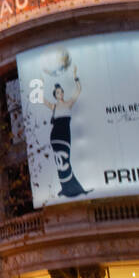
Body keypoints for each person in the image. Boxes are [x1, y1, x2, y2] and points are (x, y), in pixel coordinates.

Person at [44, 67, 89, 198]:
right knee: (60, 161)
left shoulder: (68, 103)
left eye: (61, 92)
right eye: (58, 93)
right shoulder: (54, 107)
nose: (60, 94)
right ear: (55, 95)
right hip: (56, 135)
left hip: (65, 133)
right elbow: (41, 99)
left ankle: (71, 187)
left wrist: (75, 76)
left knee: (65, 159)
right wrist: (38, 83)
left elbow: (78, 90)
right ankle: (65, 187)